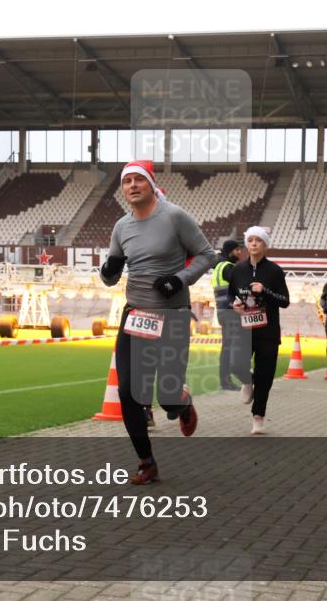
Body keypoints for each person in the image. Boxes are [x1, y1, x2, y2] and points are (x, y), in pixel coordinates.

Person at [99, 160, 217, 484]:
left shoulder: (175, 217)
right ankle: (146, 462)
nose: (132, 186)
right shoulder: (121, 227)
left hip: (172, 315)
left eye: (139, 180)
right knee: (128, 391)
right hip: (136, 314)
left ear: (151, 184)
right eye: (127, 182)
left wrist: (179, 279)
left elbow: (208, 255)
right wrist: (108, 271)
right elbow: (111, 275)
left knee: (166, 396)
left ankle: (182, 401)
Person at [229, 226, 289, 435]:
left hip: (268, 331)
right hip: (244, 330)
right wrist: (233, 304)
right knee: (236, 364)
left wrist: (266, 291)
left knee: (266, 376)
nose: (254, 243)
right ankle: (247, 379)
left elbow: (285, 301)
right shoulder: (237, 270)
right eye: (250, 240)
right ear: (246, 243)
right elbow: (231, 295)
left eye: (259, 240)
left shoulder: (274, 271)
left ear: (265, 245)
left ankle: (258, 416)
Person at [211, 239, 253, 397]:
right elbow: (241, 288)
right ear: (230, 251)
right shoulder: (228, 267)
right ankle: (228, 380)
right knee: (232, 347)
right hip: (231, 312)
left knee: (226, 347)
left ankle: (225, 380)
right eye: (237, 250)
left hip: (222, 312)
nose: (240, 252)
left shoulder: (218, 267)